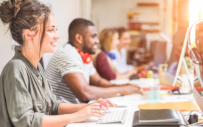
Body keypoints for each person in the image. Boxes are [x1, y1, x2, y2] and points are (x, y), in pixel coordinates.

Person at [0, 1, 116, 127]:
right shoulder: (16, 68)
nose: (57, 36)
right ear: (29, 35)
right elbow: (26, 121)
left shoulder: (37, 66)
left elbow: (53, 105)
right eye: (51, 30)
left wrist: (89, 107)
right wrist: (75, 117)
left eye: (56, 30)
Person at [45, 18, 142, 104]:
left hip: (77, 111)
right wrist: (121, 90)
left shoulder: (83, 54)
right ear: (79, 38)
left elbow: (98, 81)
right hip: (63, 118)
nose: (97, 41)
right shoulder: (68, 54)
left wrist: (123, 87)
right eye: (93, 36)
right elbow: (84, 93)